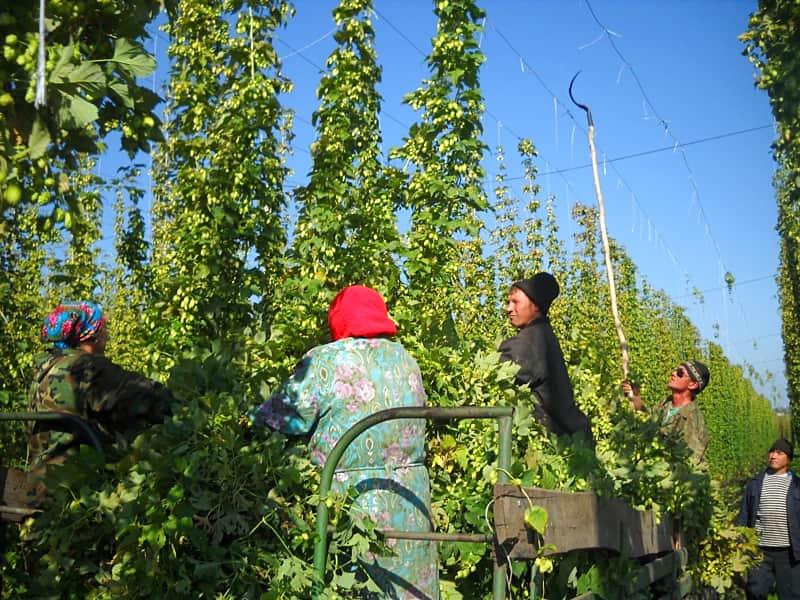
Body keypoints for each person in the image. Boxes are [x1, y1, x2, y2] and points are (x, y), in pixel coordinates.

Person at [250, 285, 438, 598]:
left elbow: (280, 418)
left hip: (354, 501)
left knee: (355, 586)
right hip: (411, 500)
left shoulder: (326, 361)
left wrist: (242, 417)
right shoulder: (406, 360)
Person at [28, 300, 173, 467]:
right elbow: (148, 397)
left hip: (42, 473)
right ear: (93, 336)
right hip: (83, 474)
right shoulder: (88, 368)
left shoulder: (44, 369)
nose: (107, 336)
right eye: (104, 329)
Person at [498, 272, 592, 442]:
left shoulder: (530, 343)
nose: (508, 309)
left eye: (516, 302)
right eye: (508, 302)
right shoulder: (543, 335)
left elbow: (497, 375)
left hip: (556, 442)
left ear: (535, 306)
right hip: (572, 439)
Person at [735, 438, 800, 600]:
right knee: (755, 593)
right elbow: (744, 513)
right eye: (772, 452)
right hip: (760, 551)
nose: (773, 456)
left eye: (779, 453)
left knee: (790, 595)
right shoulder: (755, 483)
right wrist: (738, 539)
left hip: (789, 553)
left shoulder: (797, 485)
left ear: (788, 459)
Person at [623, 361, 710, 466]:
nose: (673, 373)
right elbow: (648, 420)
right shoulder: (667, 403)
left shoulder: (692, 421)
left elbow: (688, 464)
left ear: (693, 384)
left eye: (680, 373)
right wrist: (635, 396)